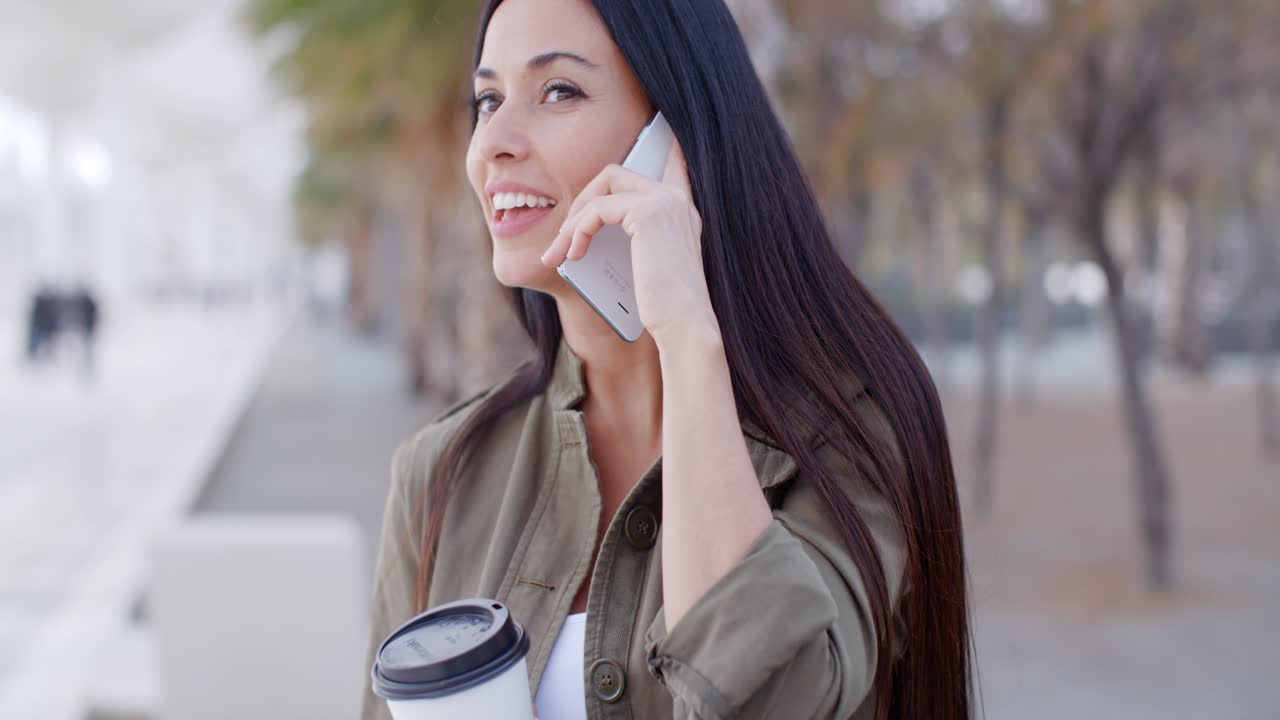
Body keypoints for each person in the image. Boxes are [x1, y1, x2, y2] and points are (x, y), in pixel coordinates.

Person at [361, 1, 972, 719]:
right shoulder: (442, 473)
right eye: (488, 99)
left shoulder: (848, 438)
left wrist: (687, 336)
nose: (493, 140)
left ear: (675, 139)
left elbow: (772, 700)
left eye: (559, 90)